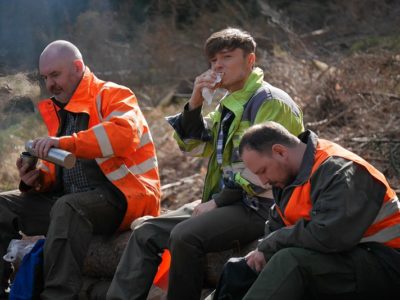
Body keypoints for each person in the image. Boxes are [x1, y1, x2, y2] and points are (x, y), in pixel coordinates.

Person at [107, 28, 304, 300]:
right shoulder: (228, 104)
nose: (218, 66)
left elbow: (267, 172)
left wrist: (220, 201)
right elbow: (194, 145)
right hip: (229, 201)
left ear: (250, 60)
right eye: (213, 61)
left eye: (227, 57)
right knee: (146, 232)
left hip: (262, 205)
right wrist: (195, 101)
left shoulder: (269, 102)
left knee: (185, 235)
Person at [0, 40, 161, 299]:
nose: (50, 84)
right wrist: (37, 180)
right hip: (74, 205)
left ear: (77, 67)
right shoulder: (58, 109)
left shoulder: (114, 94)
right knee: (3, 204)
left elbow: (123, 134)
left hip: (124, 198)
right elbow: (63, 173)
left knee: (67, 206)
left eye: (55, 75)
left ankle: (56, 295)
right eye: (45, 77)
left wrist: (67, 143)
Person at [212, 121, 400, 300]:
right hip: (348, 257)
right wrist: (262, 251)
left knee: (289, 262)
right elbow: (277, 225)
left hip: (385, 263)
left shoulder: (340, 171)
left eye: (263, 171)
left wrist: (272, 244)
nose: (263, 181)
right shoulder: (288, 177)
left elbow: (328, 235)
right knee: (239, 269)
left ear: (280, 152)